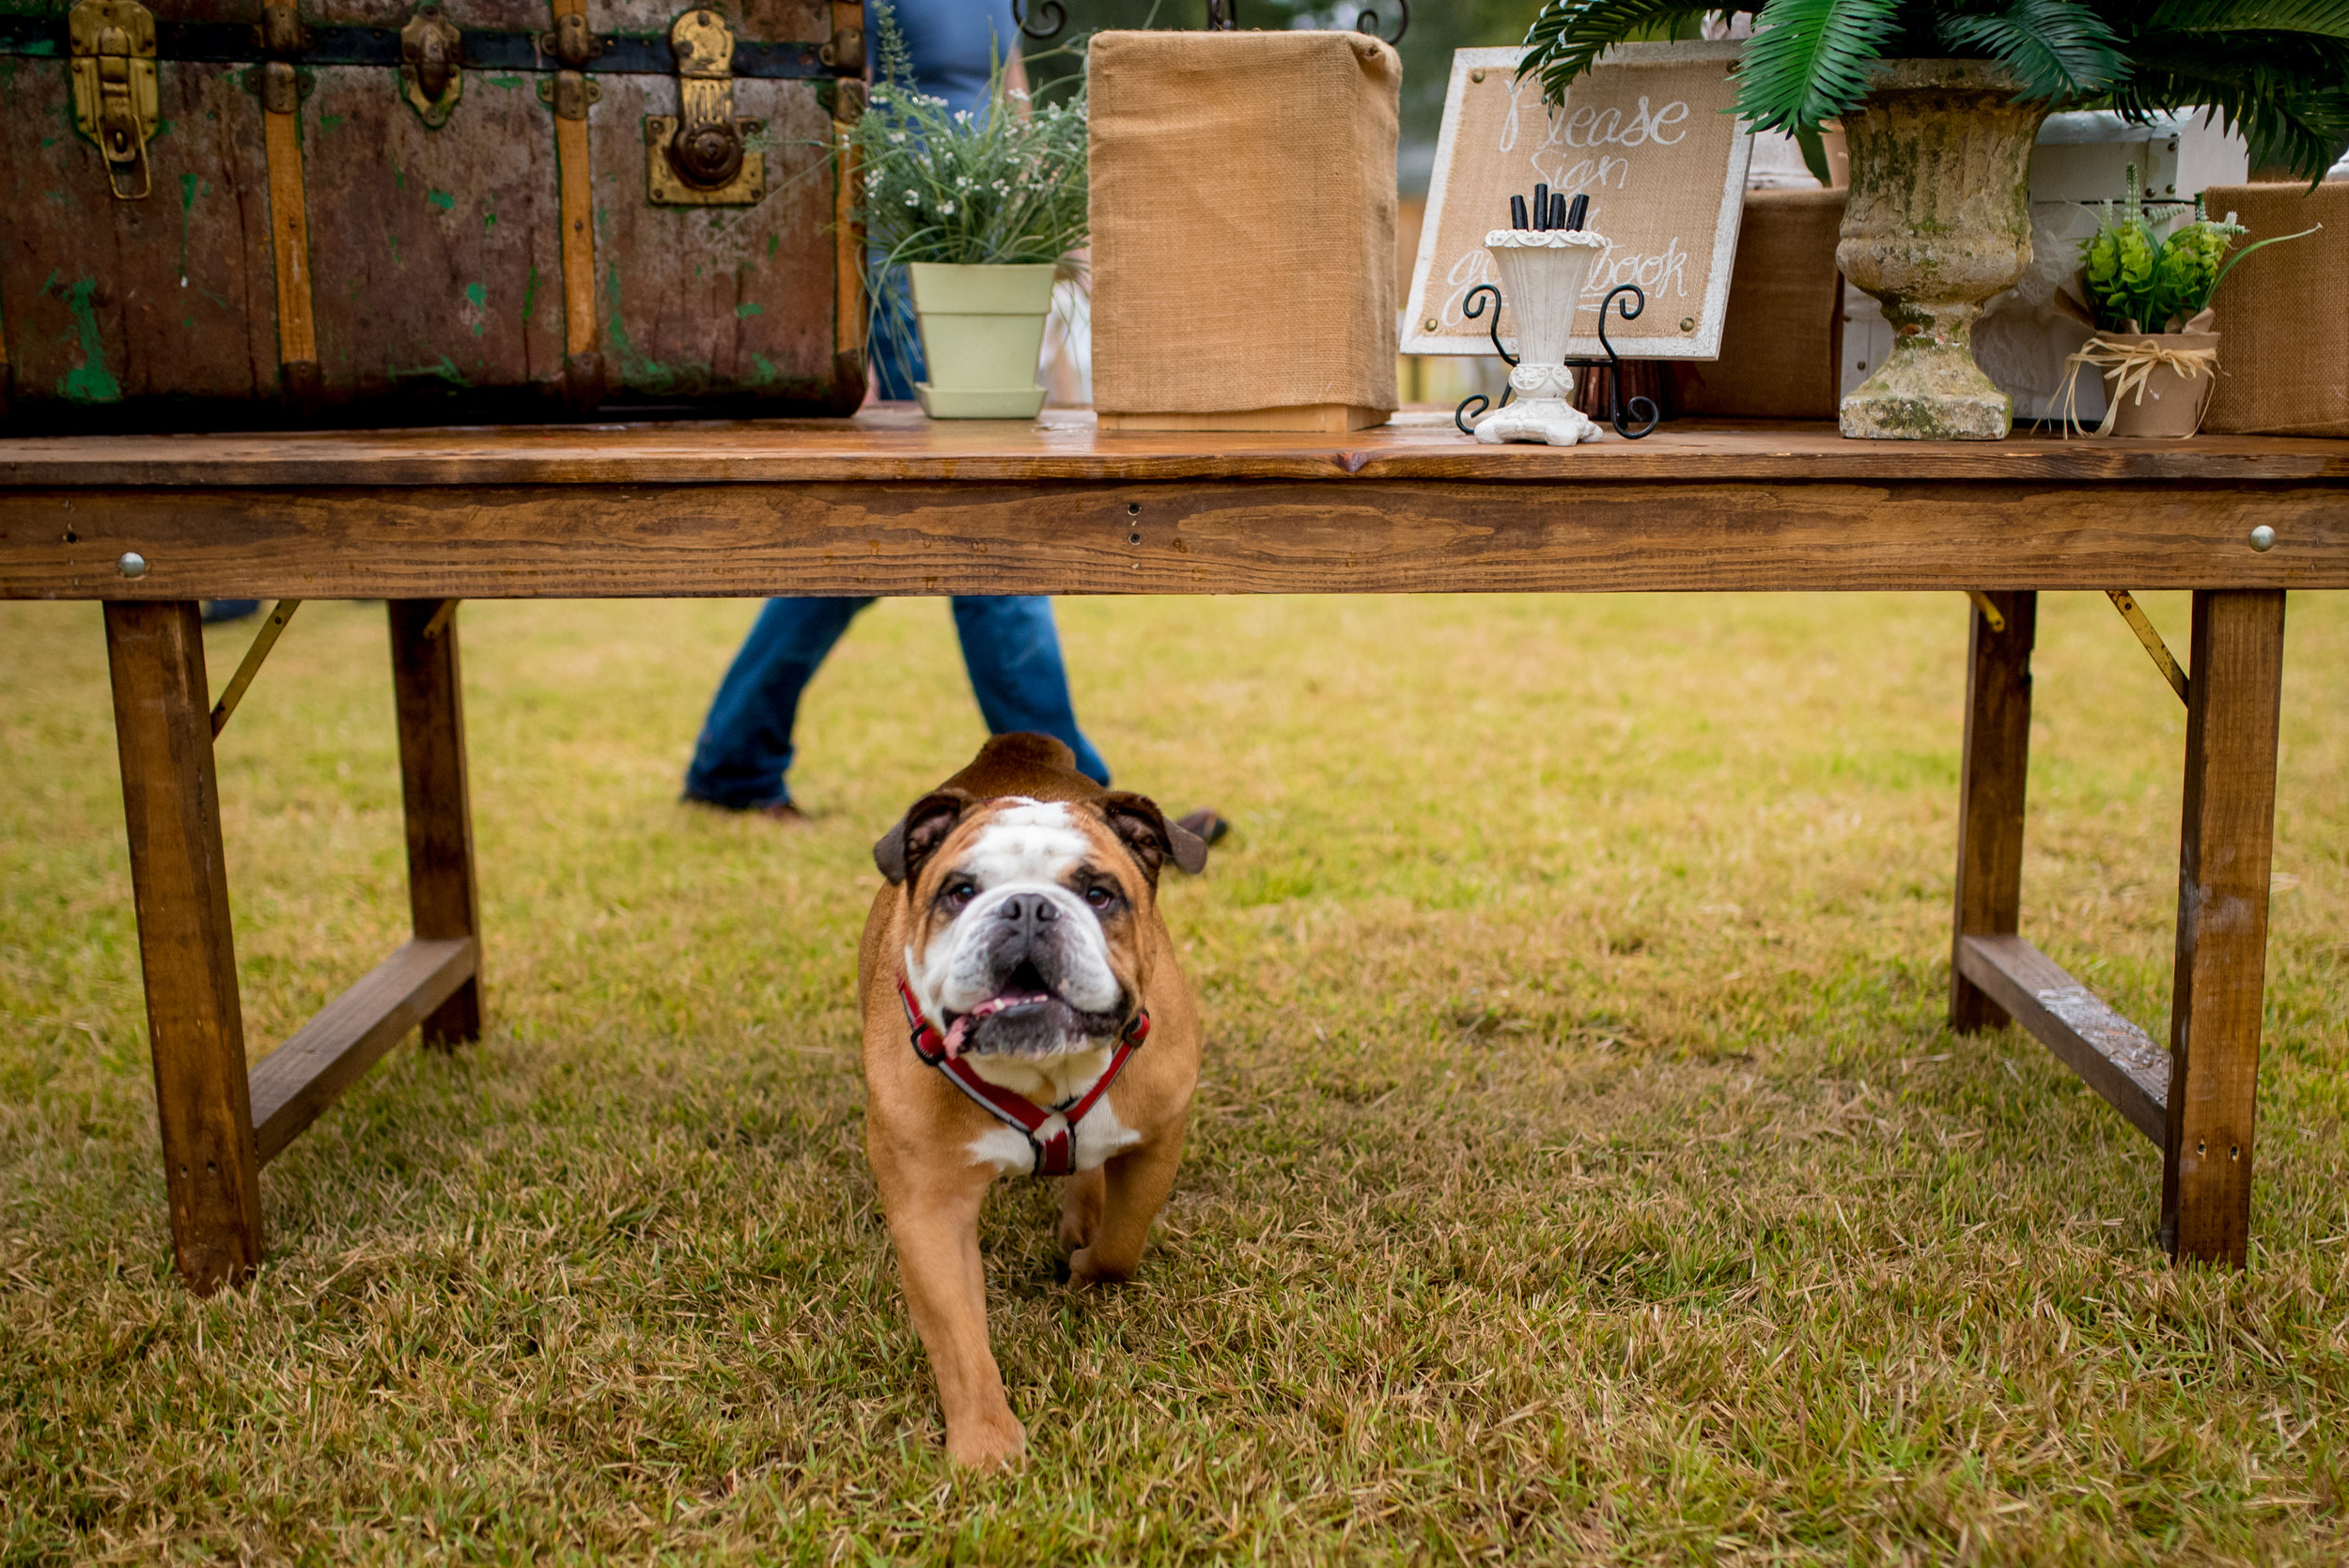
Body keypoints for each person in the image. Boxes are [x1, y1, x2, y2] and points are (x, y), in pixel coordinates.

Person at [681, 0, 1104, 823]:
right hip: (903, 261)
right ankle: (1075, 794)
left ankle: (734, 759)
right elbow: (833, 108)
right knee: (988, 533)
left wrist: (1041, 255)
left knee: (866, 542)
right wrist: (853, 321)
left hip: (983, 261)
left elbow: (1010, 99)